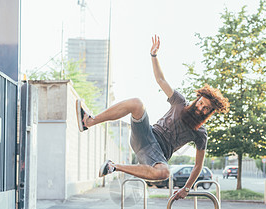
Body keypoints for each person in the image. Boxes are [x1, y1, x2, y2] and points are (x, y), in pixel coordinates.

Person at [76, 35, 229, 200]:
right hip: (146, 134)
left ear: (208, 113)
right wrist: (154, 56)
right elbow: (160, 79)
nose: (200, 108)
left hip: (156, 154)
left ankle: (113, 167)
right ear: (197, 99)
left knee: (164, 172)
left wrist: (186, 188)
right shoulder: (180, 102)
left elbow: (198, 165)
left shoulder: (200, 134)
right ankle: (89, 121)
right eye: (200, 103)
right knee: (137, 103)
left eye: (205, 109)